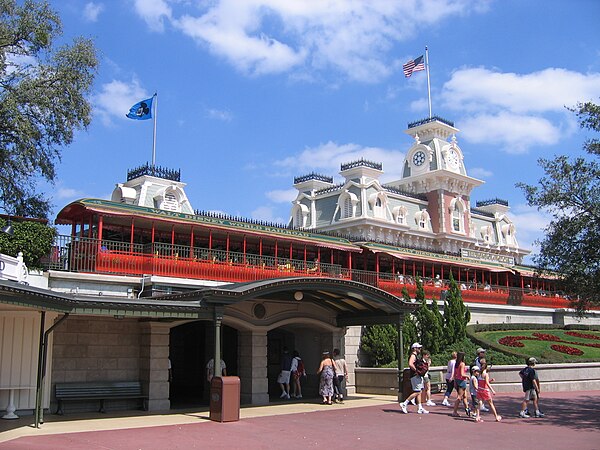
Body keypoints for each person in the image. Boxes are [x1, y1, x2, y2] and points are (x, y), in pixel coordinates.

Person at [399, 343, 429, 414]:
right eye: (418, 348)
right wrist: (416, 370)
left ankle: (420, 408)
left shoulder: (416, 356)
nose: (420, 349)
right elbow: (410, 364)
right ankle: (404, 403)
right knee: (417, 391)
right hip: (415, 375)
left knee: (419, 391)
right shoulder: (413, 355)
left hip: (416, 376)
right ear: (414, 348)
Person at [452, 351, 471, 417]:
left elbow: (454, 374)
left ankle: (467, 409)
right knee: (459, 397)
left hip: (457, 380)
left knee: (465, 396)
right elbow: (462, 374)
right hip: (461, 381)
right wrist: (467, 376)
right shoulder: (462, 364)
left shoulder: (456, 364)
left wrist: (454, 382)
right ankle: (454, 411)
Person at [473, 348, 490, 412]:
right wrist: (486, 370)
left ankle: (480, 405)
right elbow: (483, 367)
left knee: (479, 391)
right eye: (482, 352)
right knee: (483, 391)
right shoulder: (482, 360)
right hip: (482, 377)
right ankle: (481, 405)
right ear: (479, 353)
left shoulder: (476, 359)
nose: (484, 353)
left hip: (478, 376)